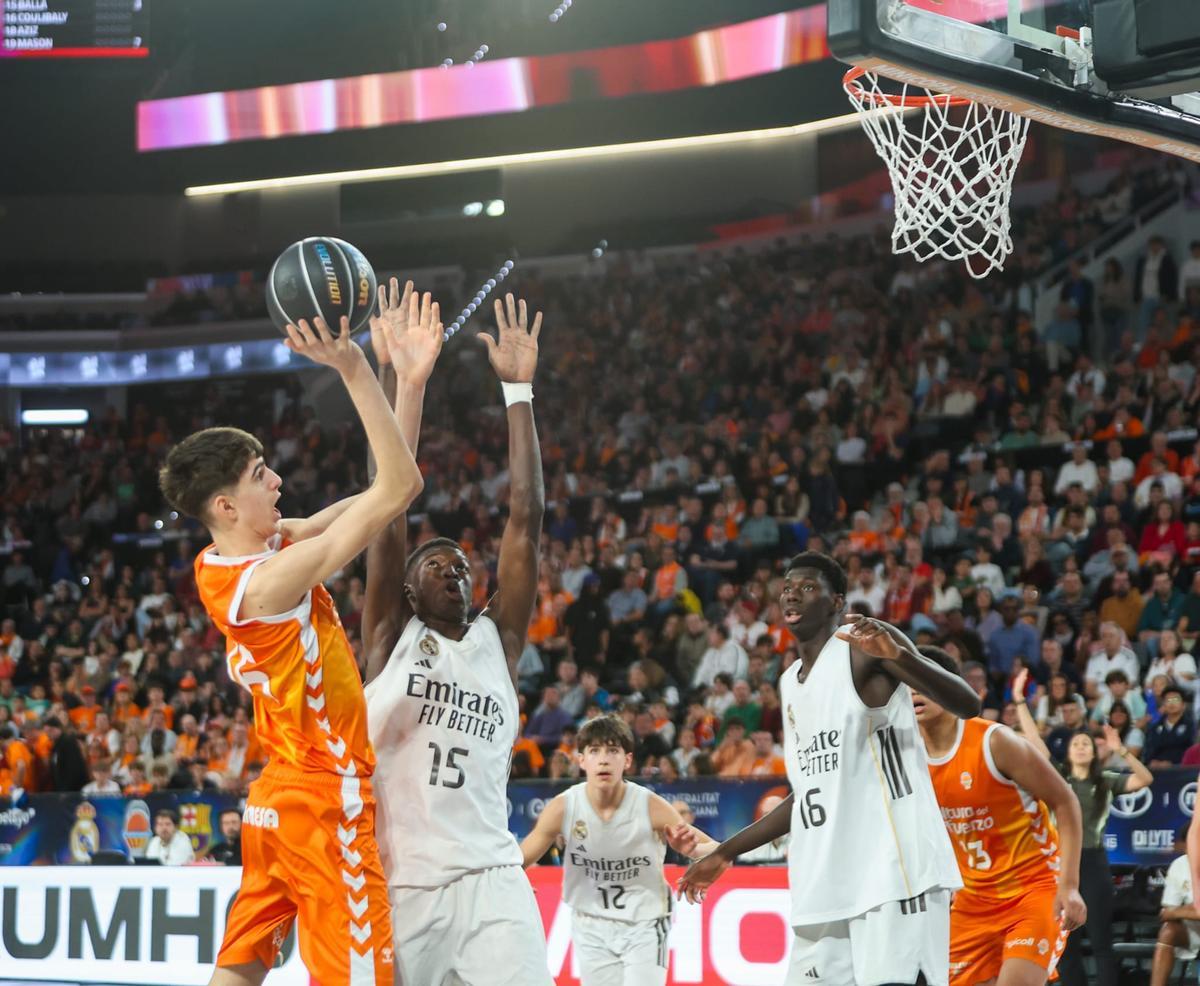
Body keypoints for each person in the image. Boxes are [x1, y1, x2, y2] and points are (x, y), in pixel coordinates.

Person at [158, 296, 429, 985]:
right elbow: (401, 488)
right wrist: (356, 366)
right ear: (225, 506)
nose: (277, 481)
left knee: (241, 971)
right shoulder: (272, 581)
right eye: (259, 477)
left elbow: (382, 492)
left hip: (275, 797)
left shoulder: (230, 560)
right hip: (324, 794)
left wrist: (411, 384)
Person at [360, 289, 552, 985]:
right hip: (405, 884)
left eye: (462, 565)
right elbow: (387, 502)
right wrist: (394, 375)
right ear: (407, 590)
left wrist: (518, 389)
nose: (456, 569)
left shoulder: (496, 643)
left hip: (494, 877)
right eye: (435, 563)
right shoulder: (388, 637)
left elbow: (525, 517)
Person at [679, 551, 980, 986]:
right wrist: (726, 851)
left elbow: (966, 703)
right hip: (826, 879)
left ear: (837, 601)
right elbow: (807, 793)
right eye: (786, 589)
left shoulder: (864, 648)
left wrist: (903, 656)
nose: (792, 595)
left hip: (895, 871)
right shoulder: (788, 682)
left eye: (807, 587)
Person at [915, 650, 1086, 986]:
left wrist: (1069, 886)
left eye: (924, 681)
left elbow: (1066, 802)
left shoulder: (995, 742)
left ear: (951, 687)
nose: (914, 691)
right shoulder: (909, 756)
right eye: (907, 683)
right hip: (972, 898)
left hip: (1034, 890)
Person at [519, 715, 716, 986]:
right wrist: (512, 882)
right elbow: (519, 861)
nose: (603, 759)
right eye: (595, 751)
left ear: (627, 760)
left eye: (613, 750)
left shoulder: (649, 805)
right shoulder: (564, 807)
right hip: (590, 926)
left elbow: (715, 850)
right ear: (582, 760)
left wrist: (688, 849)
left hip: (644, 924)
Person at [1042, 728, 1153, 986]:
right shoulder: (1058, 777)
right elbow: (1037, 744)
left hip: (1094, 861)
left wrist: (1121, 750)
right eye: (1076, 743)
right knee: (1066, 943)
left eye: (1086, 744)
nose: (1081, 747)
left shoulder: (1105, 779)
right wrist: (1020, 700)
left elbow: (1145, 778)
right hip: (1061, 864)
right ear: (1068, 752)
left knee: (1102, 940)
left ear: (1094, 752)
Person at [1152, 827, 1200, 986]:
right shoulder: (1179, 865)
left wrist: (1181, 911)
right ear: (1187, 845)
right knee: (1168, 931)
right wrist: (1189, 911)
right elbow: (1166, 914)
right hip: (1193, 931)